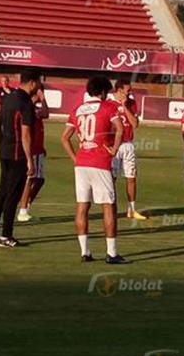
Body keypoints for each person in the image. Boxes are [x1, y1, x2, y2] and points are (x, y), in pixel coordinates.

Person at [60, 76, 127, 263]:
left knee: (82, 206)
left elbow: (64, 137)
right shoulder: (108, 107)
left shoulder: (77, 109)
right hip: (100, 162)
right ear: (103, 92)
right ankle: (111, 253)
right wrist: (114, 149)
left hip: (82, 163)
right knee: (108, 206)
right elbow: (120, 129)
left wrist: (75, 158)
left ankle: (85, 252)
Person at [0, 69, 41, 247]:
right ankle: (6, 235)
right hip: (18, 153)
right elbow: (26, 134)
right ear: (32, 83)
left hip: (5, 151)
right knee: (13, 194)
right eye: (38, 83)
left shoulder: (8, 98)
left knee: (2, 191)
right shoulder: (25, 103)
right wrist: (30, 159)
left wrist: (2, 145)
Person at [110, 79, 147, 220]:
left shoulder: (131, 103)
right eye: (128, 90)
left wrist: (124, 106)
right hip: (114, 145)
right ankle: (111, 209)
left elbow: (135, 124)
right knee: (111, 178)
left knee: (131, 177)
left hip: (128, 144)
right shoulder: (108, 103)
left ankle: (131, 210)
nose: (130, 92)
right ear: (119, 90)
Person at [17, 84, 49, 222]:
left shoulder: (32, 108)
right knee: (30, 179)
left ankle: (26, 205)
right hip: (33, 149)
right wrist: (43, 99)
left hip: (38, 148)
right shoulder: (30, 108)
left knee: (39, 179)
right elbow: (46, 113)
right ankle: (23, 210)